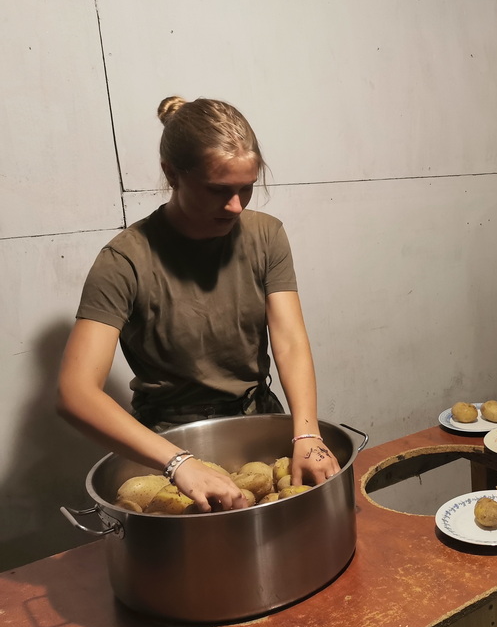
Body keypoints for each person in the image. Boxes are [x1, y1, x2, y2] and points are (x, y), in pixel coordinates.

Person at [57, 96, 339, 512]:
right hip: (169, 441)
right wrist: (179, 463)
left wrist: (307, 434)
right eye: (218, 190)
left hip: (258, 421)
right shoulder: (124, 261)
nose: (236, 206)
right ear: (172, 174)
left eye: (247, 188)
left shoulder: (266, 236)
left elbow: (290, 341)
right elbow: (75, 393)